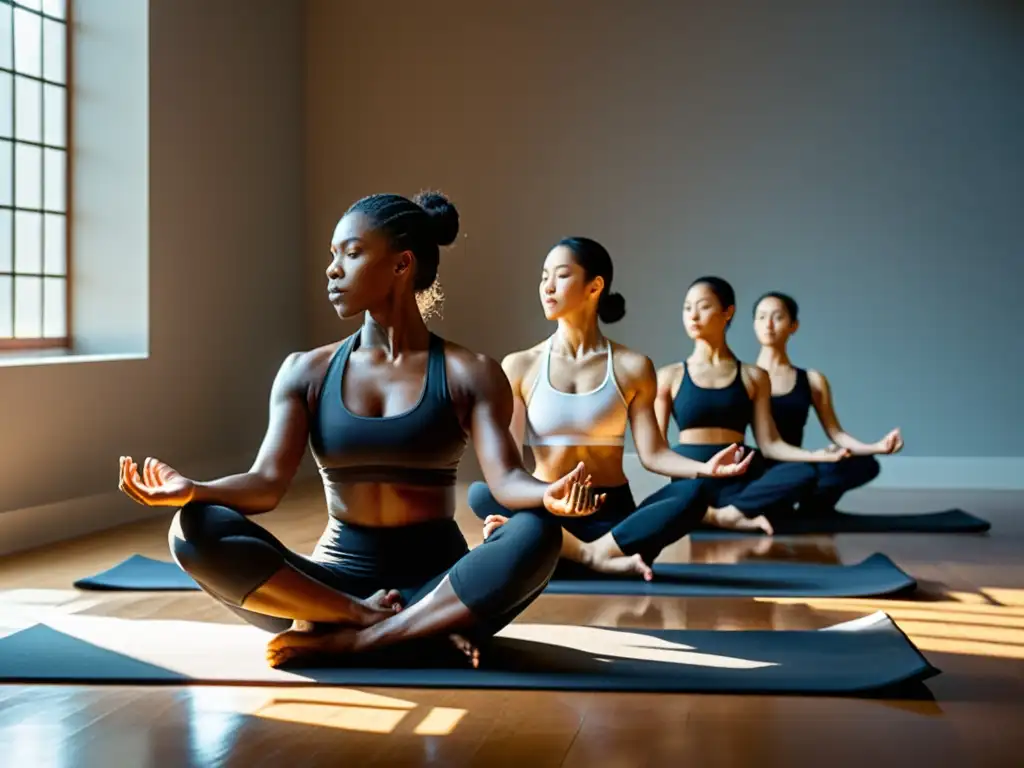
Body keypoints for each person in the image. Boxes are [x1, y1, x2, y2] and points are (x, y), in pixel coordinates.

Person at [115, 191, 605, 670]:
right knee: (192, 528)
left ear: (401, 264)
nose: (333, 269)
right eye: (333, 256)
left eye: (351, 253)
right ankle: (381, 624)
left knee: (538, 533)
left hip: (439, 585)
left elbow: (505, 481)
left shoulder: (468, 371)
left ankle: (358, 643)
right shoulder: (305, 371)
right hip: (329, 589)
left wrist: (548, 496)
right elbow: (265, 484)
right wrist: (192, 491)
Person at [468, 238, 753, 580]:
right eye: (544, 276)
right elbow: (508, 467)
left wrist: (705, 469)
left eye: (560, 275)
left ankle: (575, 554)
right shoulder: (519, 366)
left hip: (614, 519)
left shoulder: (632, 366)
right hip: (546, 509)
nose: (547, 286)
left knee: (693, 493)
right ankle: (592, 557)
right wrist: (543, 498)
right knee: (480, 493)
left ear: (595, 286)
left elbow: (654, 454)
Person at [654, 277, 852, 535]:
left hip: (739, 477)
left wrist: (817, 456)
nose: (693, 315)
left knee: (801, 472)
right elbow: (656, 449)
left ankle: (723, 514)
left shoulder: (754, 376)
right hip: (692, 477)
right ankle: (719, 513)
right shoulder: (668, 375)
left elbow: (769, 443)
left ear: (728, 312)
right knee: (677, 499)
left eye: (703, 306)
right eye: (686, 307)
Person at [752, 291, 903, 514]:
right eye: (761, 317)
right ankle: (783, 498)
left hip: (799, 462)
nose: (769, 324)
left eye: (778, 317)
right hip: (763, 467)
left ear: (793, 326)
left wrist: (877, 447)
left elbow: (836, 433)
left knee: (865, 464)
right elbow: (764, 444)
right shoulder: (745, 376)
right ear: (754, 324)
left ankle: (809, 505)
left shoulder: (812, 380)